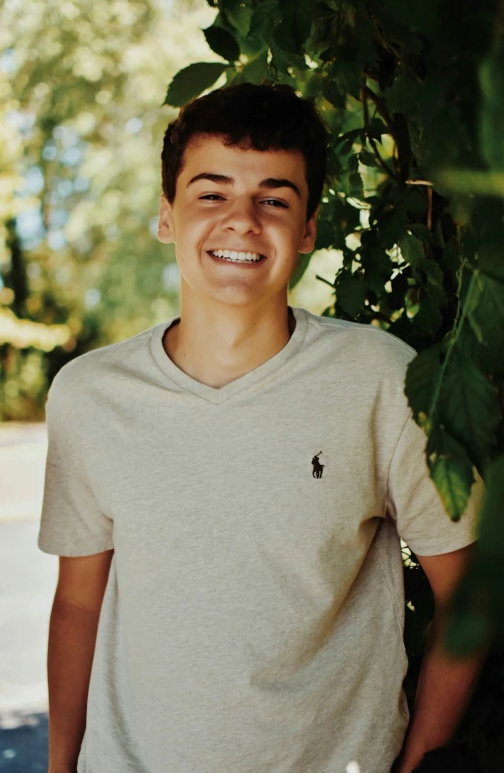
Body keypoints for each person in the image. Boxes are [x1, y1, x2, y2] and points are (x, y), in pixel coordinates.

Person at [38, 81, 485, 773]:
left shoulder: (381, 381)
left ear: (308, 229)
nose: (242, 220)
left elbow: (470, 594)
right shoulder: (90, 395)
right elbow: (77, 605)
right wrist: (59, 765)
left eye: (274, 198)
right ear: (167, 215)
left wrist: (420, 762)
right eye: (210, 193)